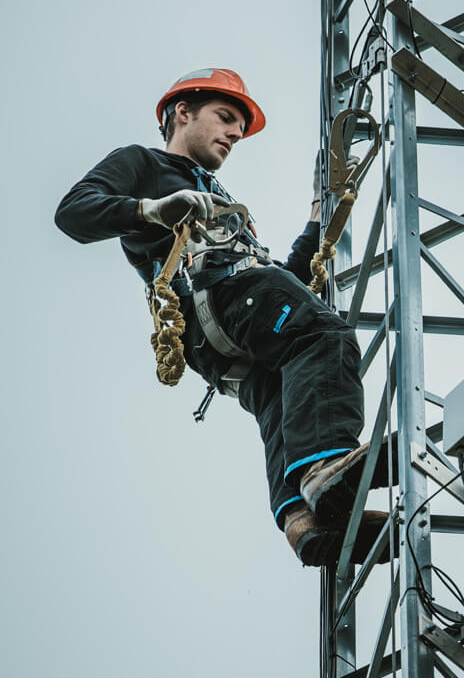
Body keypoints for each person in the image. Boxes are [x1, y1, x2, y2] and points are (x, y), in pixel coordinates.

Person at [54, 68, 385, 566]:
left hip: (221, 331)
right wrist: (151, 209)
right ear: (181, 113)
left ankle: (305, 519)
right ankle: (327, 468)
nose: (234, 134)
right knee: (323, 337)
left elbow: (283, 279)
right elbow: (74, 212)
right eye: (226, 118)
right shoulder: (144, 164)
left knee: (279, 391)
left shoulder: (221, 202)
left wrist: (319, 217)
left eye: (238, 127)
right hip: (220, 295)